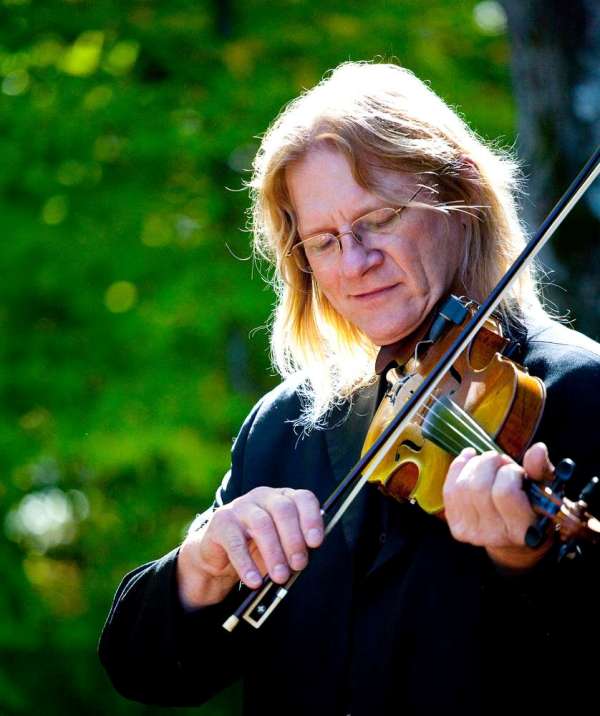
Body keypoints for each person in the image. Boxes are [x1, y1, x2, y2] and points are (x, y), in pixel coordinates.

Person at [99, 62, 600, 715]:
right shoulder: (285, 425)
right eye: (324, 241)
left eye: (381, 218)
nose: (356, 263)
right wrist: (202, 566)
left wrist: (527, 564)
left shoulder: (578, 389)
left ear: (461, 197)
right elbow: (147, 672)